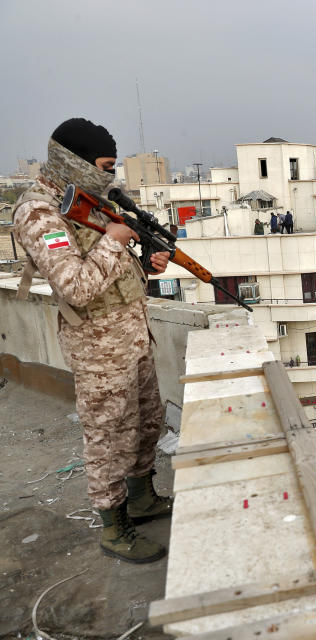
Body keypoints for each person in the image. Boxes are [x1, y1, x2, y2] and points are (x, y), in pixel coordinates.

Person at [12, 118, 173, 564]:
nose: (109, 176)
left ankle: (142, 500)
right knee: (109, 438)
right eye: (104, 166)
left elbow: (114, 268)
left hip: (133, 335)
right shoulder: (39, 211)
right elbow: (75, 287)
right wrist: (114, 242)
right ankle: (114, 528)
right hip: (98, 347)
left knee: (145, 422)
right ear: (74, 160)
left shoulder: (89, 200)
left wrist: (147, 262)